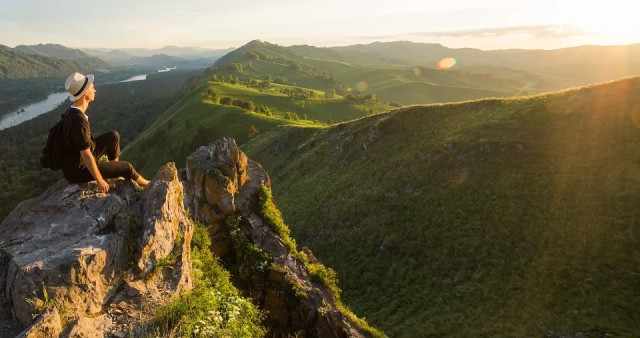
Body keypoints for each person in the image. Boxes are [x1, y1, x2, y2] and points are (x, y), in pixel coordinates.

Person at [60, 72, 149, 193]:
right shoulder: (78, 121)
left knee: (113, 136)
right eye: (92, 88)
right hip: (78, 170)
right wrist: (100, 180)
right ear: (85, 93)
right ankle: (149, 185)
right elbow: (85, 155)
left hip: (76, 162)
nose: (95, 91)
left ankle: (115, 176)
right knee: (127, 167)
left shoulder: (72, 112)